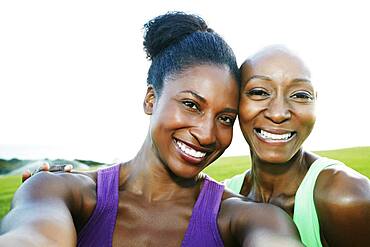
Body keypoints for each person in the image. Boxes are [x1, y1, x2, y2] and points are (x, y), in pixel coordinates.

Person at [0, 12, 302, 246]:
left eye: (225, 118)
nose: (208, 134)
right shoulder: (57, 191)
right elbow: (32, 236)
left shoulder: (245, 219)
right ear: (150, 99)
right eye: (191, 105)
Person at [223, 45, 370, 247]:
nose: (278, 114)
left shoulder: (346, 197)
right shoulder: (223, 196)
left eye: (300, 95)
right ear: (235, 101)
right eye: (259, 92)